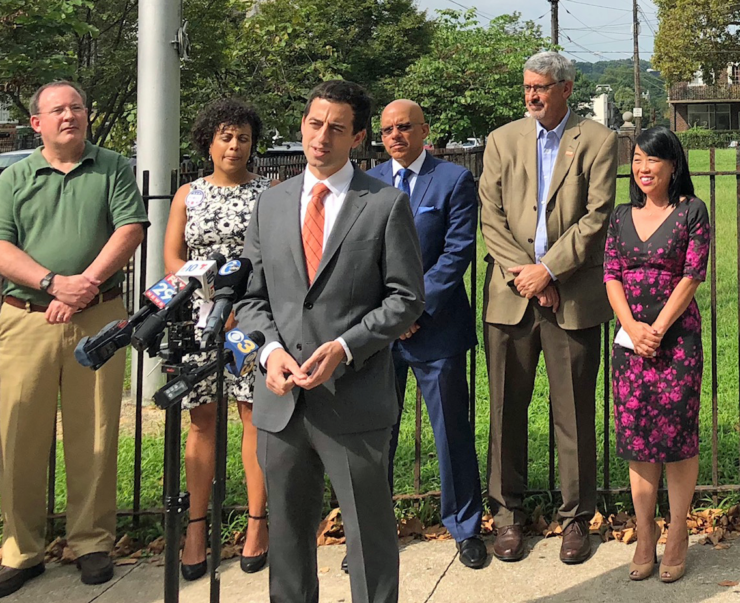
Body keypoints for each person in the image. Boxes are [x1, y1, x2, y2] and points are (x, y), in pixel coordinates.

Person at [235, 80, 424, 603]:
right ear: (303, 126)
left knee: (369, 538)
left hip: (354, 400)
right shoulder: (269, 205)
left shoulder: (384, 205)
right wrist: (268, 353)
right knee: (290, 540)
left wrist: (344, 347)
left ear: (358, 137)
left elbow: (406, 298)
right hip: (281, 402)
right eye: (315, 124)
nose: (321, 137)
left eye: (336, 128)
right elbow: (251, 298)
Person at [0, 81, 147, 596]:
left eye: (77, 107)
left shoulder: (112, 167)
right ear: (36, 123)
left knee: (97, 432)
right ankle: (22, 549)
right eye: (58, 110)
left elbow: (130, 228)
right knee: (18, 435)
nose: (70, 116)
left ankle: (91, 542)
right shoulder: (13, 177)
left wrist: (82, 288)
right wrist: (51, 282)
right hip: (25, 319)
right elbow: (0, 244)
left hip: (98, 316)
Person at [479, 51, 618, 564]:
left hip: (573, 298)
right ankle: (507, 516)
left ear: (566, 87)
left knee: (575, 413)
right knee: (505, 411)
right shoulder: (501, 140)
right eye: (526, 88)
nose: (532, 96)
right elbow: (490, 218)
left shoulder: (599, 141)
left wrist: (551, 271)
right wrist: (529, 276)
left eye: (541, 87)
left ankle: (577, 518)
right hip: (511, 298)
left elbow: (596, 216)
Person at [367, 100, 485, 569]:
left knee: (451, 432)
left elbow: (457, 252)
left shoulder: (452, 180)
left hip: (437, 329)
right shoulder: (369, 183)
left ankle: (465, 526)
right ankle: (371, 532)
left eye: (404, 127)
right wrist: (389, 315)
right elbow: (360, 256)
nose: (396, 136)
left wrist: (413, 308)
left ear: (424, 130)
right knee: (378, 435)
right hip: (380, 335)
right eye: (387, 130)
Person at [163, 98, 274, 579]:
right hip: (196, 319)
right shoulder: (188, 194)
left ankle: (256, 523)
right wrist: (210, 300)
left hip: (249, 322)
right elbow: (171, 256)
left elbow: (275, 260)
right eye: (226, 136)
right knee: (201, 420)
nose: (235, 146)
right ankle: (195, 527)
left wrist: (239, 308)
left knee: (255, 418)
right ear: (208, 141)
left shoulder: (268, 193)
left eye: (244, 138)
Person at [603, 126, 709, 583]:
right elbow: (611, 274)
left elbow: (692, 274)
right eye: (638, 160)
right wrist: (631, 327)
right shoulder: (620, 215)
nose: (643, 168)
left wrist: (658, 329)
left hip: (676, 340)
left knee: (678, 437)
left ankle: (679, 532)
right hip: (630, 345)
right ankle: (645, 534)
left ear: (673, 165)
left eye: (653, 160)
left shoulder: (692, 213)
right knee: (638, 440)